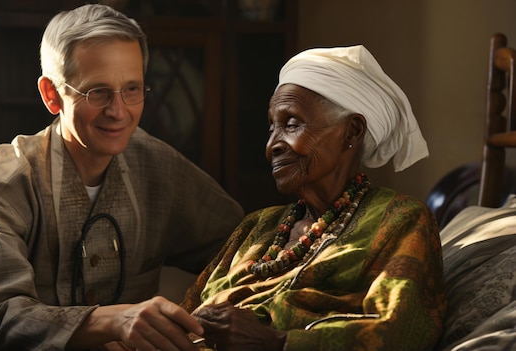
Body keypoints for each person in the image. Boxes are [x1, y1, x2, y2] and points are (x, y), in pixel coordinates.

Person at [0, 4, 244, 350]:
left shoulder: (162, 168)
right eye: (98, 92)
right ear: (52, 95)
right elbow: (1, 317)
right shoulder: (0, 184)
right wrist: (116, 321)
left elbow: (241, 243)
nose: (118, 111)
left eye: (132, 89)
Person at [182, 45, 447, 351]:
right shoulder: (258, 225)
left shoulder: (400, 219)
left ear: (352, 131)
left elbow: (401, 331)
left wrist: (275, 342)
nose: (272, 146)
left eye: (291, 124)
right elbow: (187, 310)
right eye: (271, 128)